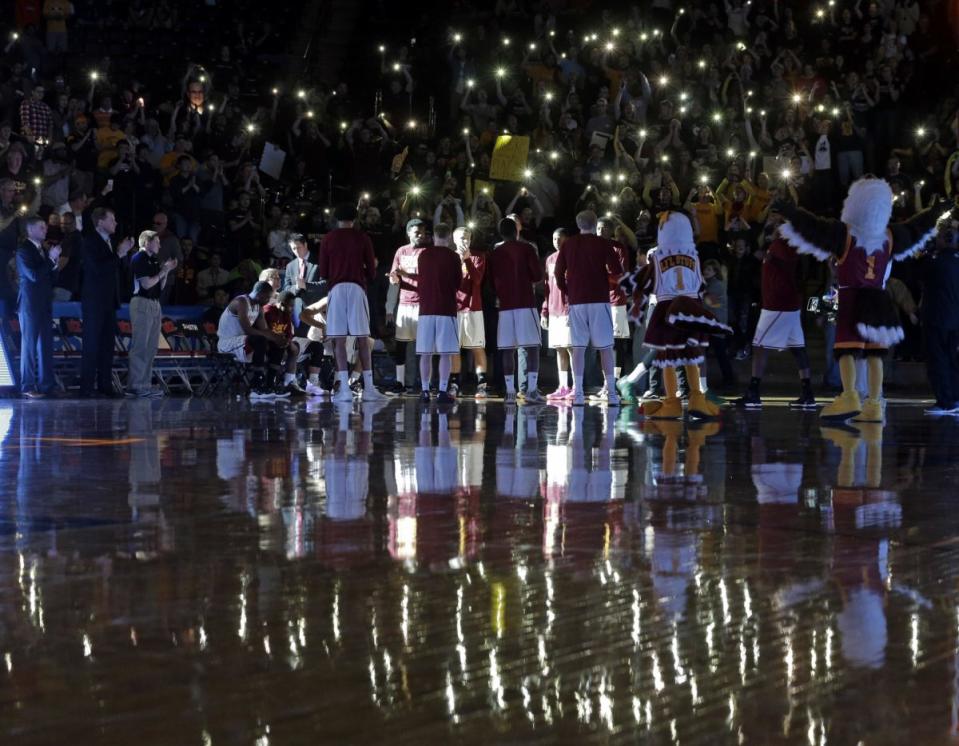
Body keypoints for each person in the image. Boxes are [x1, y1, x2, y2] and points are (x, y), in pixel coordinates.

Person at [776, 177, 951, 423]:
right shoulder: (890, 236)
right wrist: (934, 213)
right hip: (879, 299)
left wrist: (790, 211)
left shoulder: (844, 234)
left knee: (847, 349)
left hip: (851, 297)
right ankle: (874, 402)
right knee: (874, 353)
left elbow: (812, 227)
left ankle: (849, 396)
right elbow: (916, 228)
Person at [620, 212, 731, 419]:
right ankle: (689, 397)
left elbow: (647, 281)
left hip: (671, 305)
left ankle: (682, 398)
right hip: (681, 306)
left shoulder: (665, 256)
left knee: (677, 355)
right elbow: (697, 286)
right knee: (681, 354)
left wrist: (636, 297)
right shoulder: (691, 256)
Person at [734, 229, 817, 409]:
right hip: (787, 304)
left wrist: (769, 256)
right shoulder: (778, 243)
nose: (774, 225)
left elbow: (789, 262)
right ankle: (807, 393)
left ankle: (753, 392)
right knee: (798, 349)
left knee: (759, 347)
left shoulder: (785, 244)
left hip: (778, 304)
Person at [317, 203, 387, 403]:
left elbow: (323, 272)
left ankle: (344, 389)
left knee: (338, 339)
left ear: (336, 219)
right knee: (363, 338)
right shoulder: (362, 237)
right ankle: (369, 388)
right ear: (355, 219)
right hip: (357, 288)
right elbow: (372, 271)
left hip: (336, 289)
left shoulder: (328, 238)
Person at [554, 210, 624, 407]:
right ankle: (611, 393)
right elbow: (617, 271)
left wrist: (568, 290)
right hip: (599, 299)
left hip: (577, 301)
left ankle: (577, 393)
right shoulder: (603, 243)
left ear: (579, 225)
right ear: (595, 224)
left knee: (577, 348)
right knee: (605, 348)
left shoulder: (568, 244)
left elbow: (559, 273)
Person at [488, 218, 544, 404]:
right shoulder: (527, 248)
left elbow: (491, 282)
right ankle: (532, 391)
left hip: (505, 306)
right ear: (516, 231)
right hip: (525, 303)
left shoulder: (495, 253)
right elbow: (537, 276)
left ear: (500, 233)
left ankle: (510, 392)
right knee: (532, 347)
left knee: (507, 349)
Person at [80, 207, 134, 398]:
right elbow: (97, 268)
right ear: (100, 222)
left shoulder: (110, 242)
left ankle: (105, 385)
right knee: (92, 344)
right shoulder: (89, 241)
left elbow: (117, 270)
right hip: (94, 301)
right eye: (112, 220)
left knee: (107, 345)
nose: (115, 223)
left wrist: (123, 255)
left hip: (110, 300)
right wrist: (118, 254)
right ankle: (86, 387)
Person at [411, 223, 462, 403]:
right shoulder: (454, 257)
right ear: (449, 237)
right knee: (445, 353)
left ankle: (425, 391)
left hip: (426, 309)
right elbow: (458, 284)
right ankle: (442, 391)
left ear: (433, 236)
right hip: (446, 309)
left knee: (425, 353)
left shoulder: (423, 255)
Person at [216, 280, 291, 400]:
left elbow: (265, 330)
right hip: (228, 343)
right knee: (260, 340)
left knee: (277, 345)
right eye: (267, 297)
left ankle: (269, 385)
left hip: (244, 341)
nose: (268, 301)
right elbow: (248, 330)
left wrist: (278, 339)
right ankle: (255, 386)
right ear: (259, 294)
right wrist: (271, 337)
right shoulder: (241, 301)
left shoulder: (258, 307)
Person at [126, 229, 177, 398]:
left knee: (150, 347)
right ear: (147, 242)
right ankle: (135, 385)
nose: (160, 245)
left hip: (155, 304)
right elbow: (147, 284)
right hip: (141, 303)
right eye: (157, 242)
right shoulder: (139, 258)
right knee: (140, 346)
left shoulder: (153, 260)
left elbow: (159, 287)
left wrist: (166, 270)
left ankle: (144, 384)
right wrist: (163, 271)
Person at [16, 216, 61, 399]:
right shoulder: (23, 250)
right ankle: (27, 385)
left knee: (45, 345)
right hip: (30, 304)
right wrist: (50, 260)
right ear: (30, 230)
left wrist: (54, 265)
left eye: (45, 227)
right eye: (41, 227)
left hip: (44, 302)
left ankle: (46, 385)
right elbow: (33, 275)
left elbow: (49, 278)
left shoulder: (42, 250)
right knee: (29, 346)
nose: (45, 230)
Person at [920, 220, 959, 414]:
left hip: (936, 318)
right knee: (953, 360)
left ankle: (944, 401)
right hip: (955, 320)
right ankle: (954, 398)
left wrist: (925, 253)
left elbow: (917, 273)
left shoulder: (935, 262)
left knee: (938, 361)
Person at [387, 218, 428, 393]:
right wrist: (394, 277)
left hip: (423, 304)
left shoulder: (427, 252)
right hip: (404, 304)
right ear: (408, 233)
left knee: (424, 346)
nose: (420, 235)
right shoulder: (401, 251)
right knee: (402, 345)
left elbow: (427, 281)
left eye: (423, 232)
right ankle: (400, 382)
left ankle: (425, 383)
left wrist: (406, 274)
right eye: (417, 232)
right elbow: (394, 280)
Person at [451, 226, 488, 399]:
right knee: (454, 349)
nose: (464, 241)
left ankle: (481, 385)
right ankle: (454, 384)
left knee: (477, 347)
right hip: (454, 309)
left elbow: (478, 279)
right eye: (461, 238)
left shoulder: (478, 256)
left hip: (473, 308)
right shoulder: (449, 257)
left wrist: (466, 260)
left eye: (467, 238)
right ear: (453, 239)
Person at [542, 227, 572, 401]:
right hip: (554, 311)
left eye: (560, 238)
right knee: (560, 348)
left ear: (567, 239)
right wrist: (544, 310)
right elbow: (547, 287)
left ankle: (576, 386)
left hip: (568, 309)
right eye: (554, 239)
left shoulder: (572, 258)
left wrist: (571, 307)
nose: (557, 242)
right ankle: (562, 386)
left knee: (571, 348)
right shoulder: (550, 259)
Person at [262, 290, 306, 395]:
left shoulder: (286, 316)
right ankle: (270, 384)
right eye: (291, 306)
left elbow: (289, 335)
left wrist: (288, 342)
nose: (292, 309)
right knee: (279, 347)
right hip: (266, 343)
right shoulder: (268, 311)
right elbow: (263, 330)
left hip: (279, 343)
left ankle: (289, 382)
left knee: (294, 347)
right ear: (282, 304)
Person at [283, 233, 326, 314]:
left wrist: (306, 285)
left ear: (305, 245)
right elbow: (286, 287)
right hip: (297, 311)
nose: (296, 251)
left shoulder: (320, 261)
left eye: (299, 247)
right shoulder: (290, 266)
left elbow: (325, 284)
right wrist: (296, 287)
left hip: (317, 309)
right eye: (293, 248)